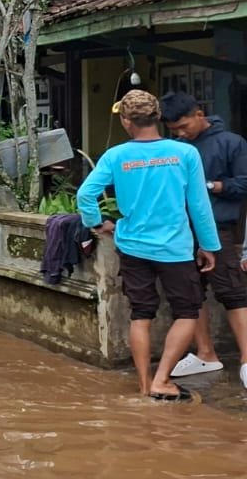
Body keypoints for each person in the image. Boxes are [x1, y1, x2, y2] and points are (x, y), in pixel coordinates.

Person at [78, 89, 220, 400]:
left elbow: (85, 196)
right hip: (176, 249)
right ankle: (162, 379)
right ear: (158, 118)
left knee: (141, 314)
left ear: (127, 122)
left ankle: (144, 386)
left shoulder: (116, 156)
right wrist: (209, 245)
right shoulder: (184, 153)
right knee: (187, 312)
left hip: (132, 247)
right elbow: (198, 204)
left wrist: (97, 222)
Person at [161, 91, 247, 388]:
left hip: (219, 228)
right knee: (190, 294)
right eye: (175, 131)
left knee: (233, 293)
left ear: (200, 114)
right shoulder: (177, 148)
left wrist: (210, 185)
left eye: (184, 126)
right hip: (183, 231)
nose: (181, 133)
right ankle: (205, 353)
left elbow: (244, 183)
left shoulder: (231, 143)